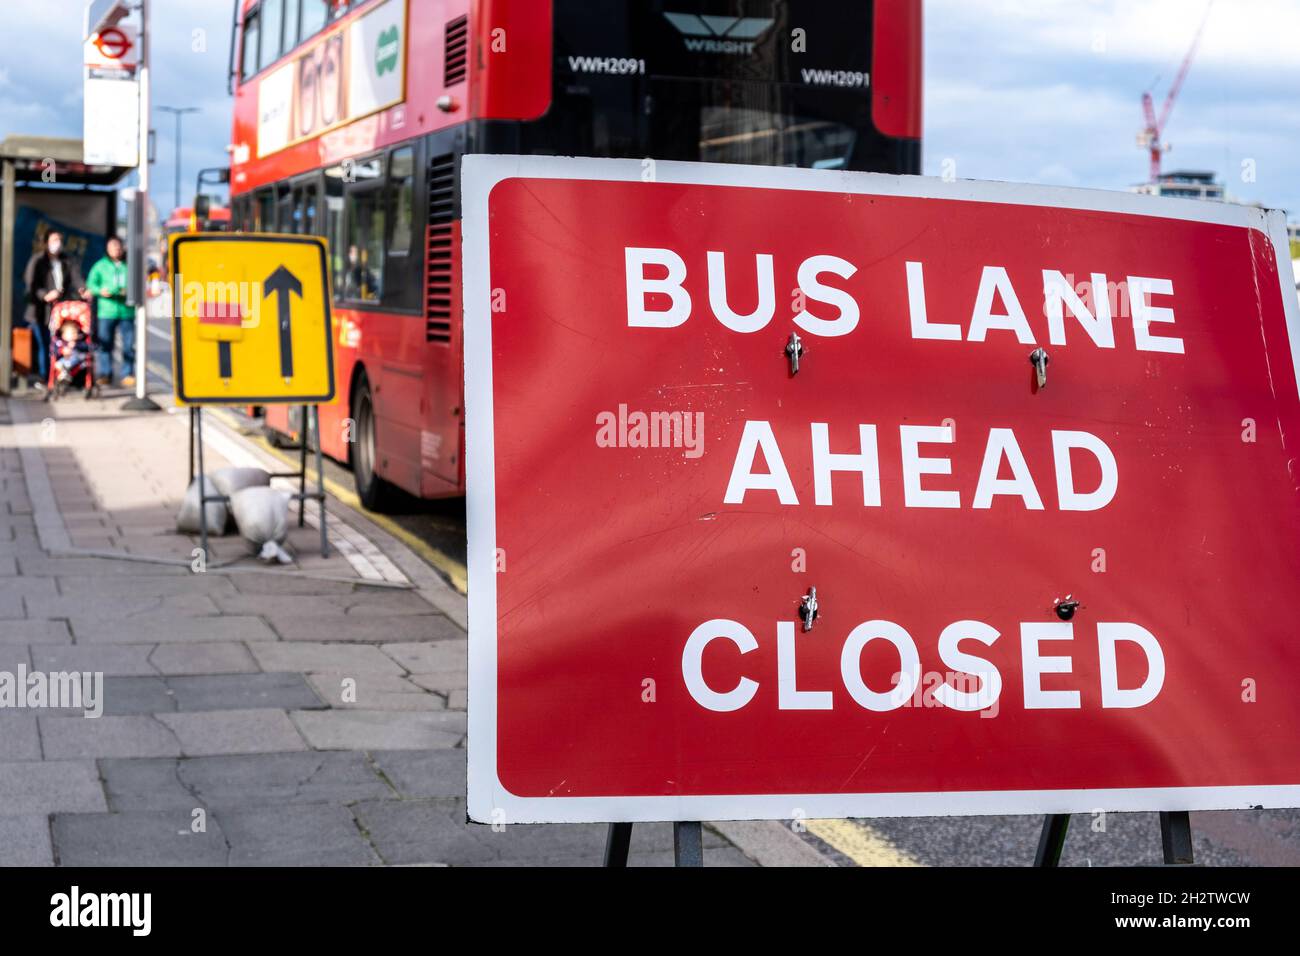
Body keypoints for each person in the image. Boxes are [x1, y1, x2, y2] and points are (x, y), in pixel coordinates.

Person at [22, 230, 86, 390]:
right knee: (44, 345)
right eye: (54, 240)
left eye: (59, 240)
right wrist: (45, 295)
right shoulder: (37, 260)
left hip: (60, 310)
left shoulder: (67, 260)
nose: (57, 243)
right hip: (40, 311)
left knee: (61, 344)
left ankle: (60, 375)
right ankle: (45, 377)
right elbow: (30, 285)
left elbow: (76, 277)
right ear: (46, 242)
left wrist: (83, 289)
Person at [86, 235, 134, 387]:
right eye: (113, 247)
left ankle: (127, 374)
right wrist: (101, 291)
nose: (116, 250)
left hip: (127, 311)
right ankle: (105, 374)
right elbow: (91, 285)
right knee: (105, 344)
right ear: (107, 249)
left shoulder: (129, 265)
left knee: (128, 345)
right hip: (107, 311)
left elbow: (139, 284)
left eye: (118, 247)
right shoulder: (100, 266)